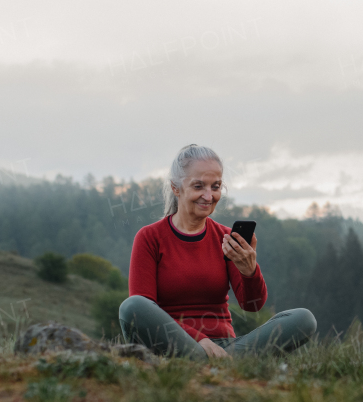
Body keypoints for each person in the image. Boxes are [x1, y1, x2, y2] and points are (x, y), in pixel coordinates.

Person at [118, 144, 317, 359]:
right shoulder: (150, 238)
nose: (208, 195)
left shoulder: (226, 238)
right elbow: (143, 307)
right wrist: (198, 339)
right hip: (175, 341)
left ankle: (220, 361)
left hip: (226, 345)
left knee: (304, 319)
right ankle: (221, 362)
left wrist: (249, 271)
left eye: (216, 186)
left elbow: (252, 306)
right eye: (198, 186)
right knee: (133, 306)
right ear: (176, 188)